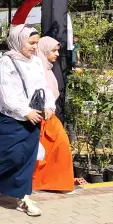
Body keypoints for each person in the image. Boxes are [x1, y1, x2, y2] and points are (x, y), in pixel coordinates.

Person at [0, 24, 55, 217]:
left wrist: (48, 105)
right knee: (8, 157)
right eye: (31, 43)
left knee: (26, 160)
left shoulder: (36, 62)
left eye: (36, 43)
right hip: (9, 119)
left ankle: (24, 198)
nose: (34, 47)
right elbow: (6, 95)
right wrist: (25, 111)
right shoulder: (3, 64)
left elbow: (43, 87)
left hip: (33, 119)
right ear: (18, 41)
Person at [32, 37, 75, 193]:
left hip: (49, 116)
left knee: (53, 150)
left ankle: (53, 183)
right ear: (44, 51)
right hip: (40, 117)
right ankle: (42, 183)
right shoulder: (37, 69)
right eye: (53, 50)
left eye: (57, 50)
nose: (57, 54)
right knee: (52, 148)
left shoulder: (48, 68)